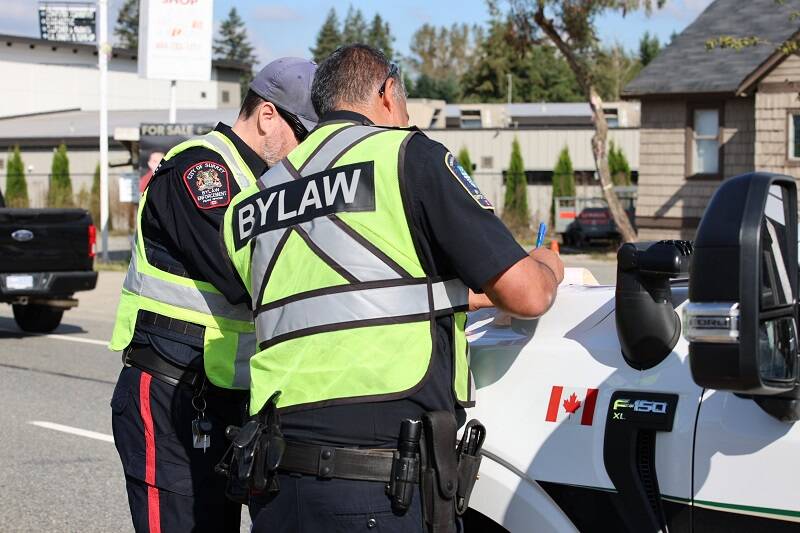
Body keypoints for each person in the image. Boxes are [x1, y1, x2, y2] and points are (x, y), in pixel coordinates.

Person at [222, 44, 564, 533]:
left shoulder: (253, 201)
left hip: (277, 480)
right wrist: (548, 265)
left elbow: (342, 297)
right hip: (380, 483)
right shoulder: (406, 155)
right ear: (386, 92)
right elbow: (528, 295)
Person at [108, 57, 318, 533]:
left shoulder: (270, 184)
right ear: (268, 115)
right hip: (172, 394)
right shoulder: (203, 170)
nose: (304, 151)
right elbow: (245, 270)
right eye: (302, 135)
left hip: (226, 399)